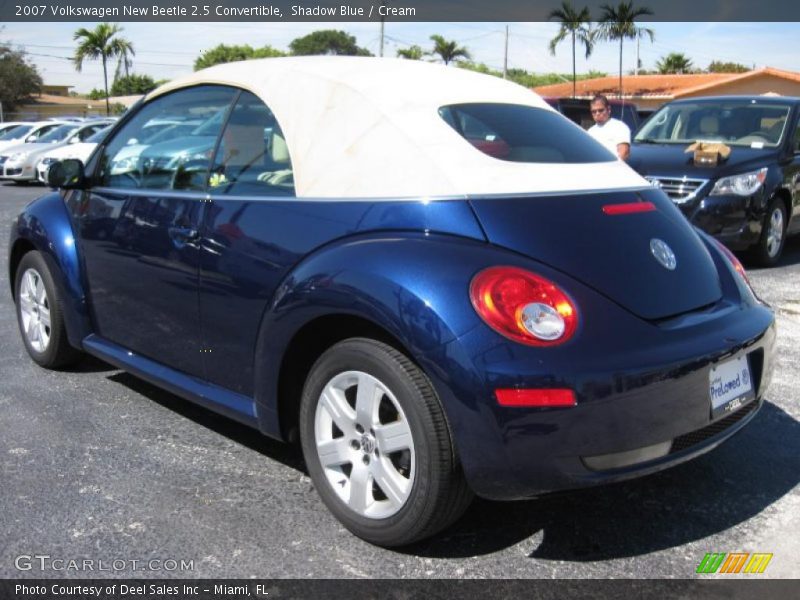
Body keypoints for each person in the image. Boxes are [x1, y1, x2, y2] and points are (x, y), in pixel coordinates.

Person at [587, 94, 631, 161]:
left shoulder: (619, 127)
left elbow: (624, 152)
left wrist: (614, 166)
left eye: (601, 110)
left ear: (609, 109)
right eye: (594, 111)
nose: (597, 113)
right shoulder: (590, 131)